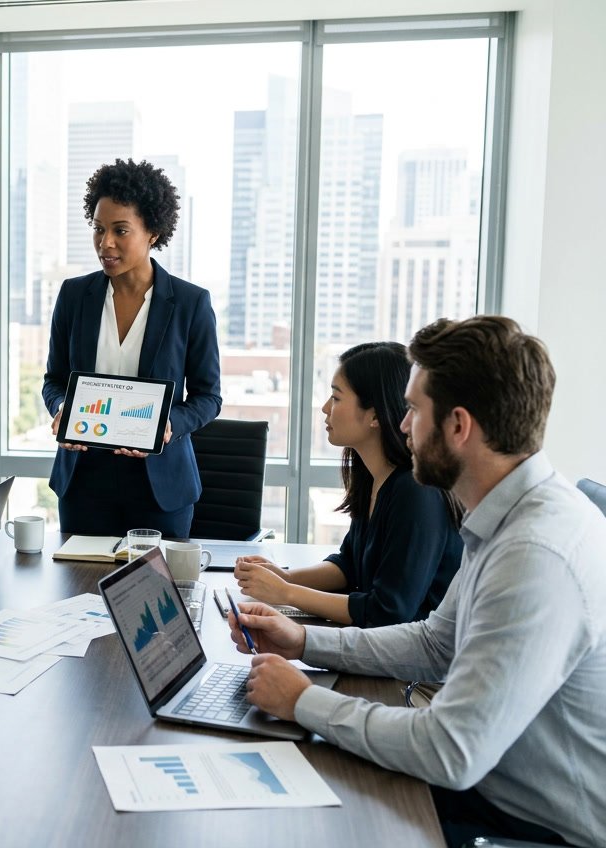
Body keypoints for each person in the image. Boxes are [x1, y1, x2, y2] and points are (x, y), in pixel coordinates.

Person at [226, 316, 606, 847]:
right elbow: (434, 641)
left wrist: (303, 700)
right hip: (493, 790)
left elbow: (450, 751)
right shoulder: (507, 517)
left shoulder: (534, 555)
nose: (402, 426)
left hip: (533, 828)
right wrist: (304, 641)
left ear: (458, 426)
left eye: (413, 411)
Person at [42, 159, 221, 537]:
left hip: (160, 487)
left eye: (120, 230)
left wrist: (170, 424)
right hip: (84, 481)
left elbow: (208, 397)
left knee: (156, 594)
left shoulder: (190, 303)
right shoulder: (74, 296)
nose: (105, 243)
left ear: (153, 232)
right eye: (99, 228)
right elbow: (54, 380)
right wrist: (62, 409)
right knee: (80, 591)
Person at [234, 342, 461, 625]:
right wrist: (284, 577)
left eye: (336, 398)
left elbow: (388, 611)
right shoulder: (372, 476)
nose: (325, 408)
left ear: (375, 415)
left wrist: (287, 593)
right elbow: (349, 564)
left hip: (409, 662)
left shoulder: (416, 491)